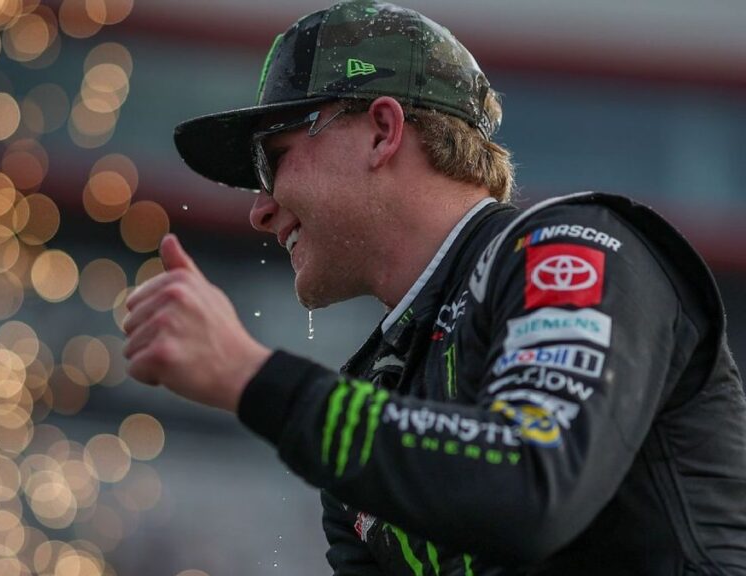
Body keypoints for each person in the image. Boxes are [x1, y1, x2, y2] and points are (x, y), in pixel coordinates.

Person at [122, 1, 746, 574]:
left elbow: (532, 484)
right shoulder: (370, 396)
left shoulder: (571, 248)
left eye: (270, 158)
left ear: (382, 131)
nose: (259, 209)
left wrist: (250, 375)